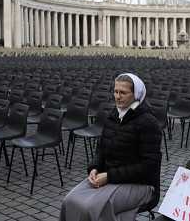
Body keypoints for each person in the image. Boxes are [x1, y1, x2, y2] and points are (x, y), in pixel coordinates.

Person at [59, 73, 162, 221]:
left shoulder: (148, 123)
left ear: (136, 94)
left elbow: (149, 166)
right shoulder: (114, 115)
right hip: (110, 176)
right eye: (115, 91)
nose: (117, 96)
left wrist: (109, 176)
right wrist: (94, 167)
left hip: (141, 185)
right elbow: (101, 148)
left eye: (123, 93)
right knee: (69, 201)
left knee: (90, 208)